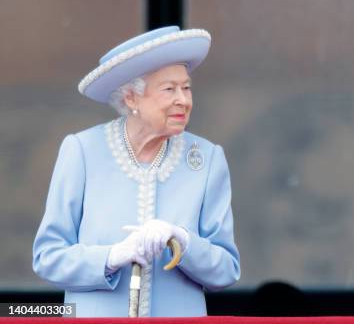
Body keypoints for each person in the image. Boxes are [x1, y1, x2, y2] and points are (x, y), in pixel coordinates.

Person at [33, 26, 240, 317]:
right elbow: (48, 258)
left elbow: (226, 270)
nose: (183, 99)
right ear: (131, 98)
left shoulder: (207, 159)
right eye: (169, 89)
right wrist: (110, 257)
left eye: (186, 87)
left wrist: (182, 240)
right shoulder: (82, 150)